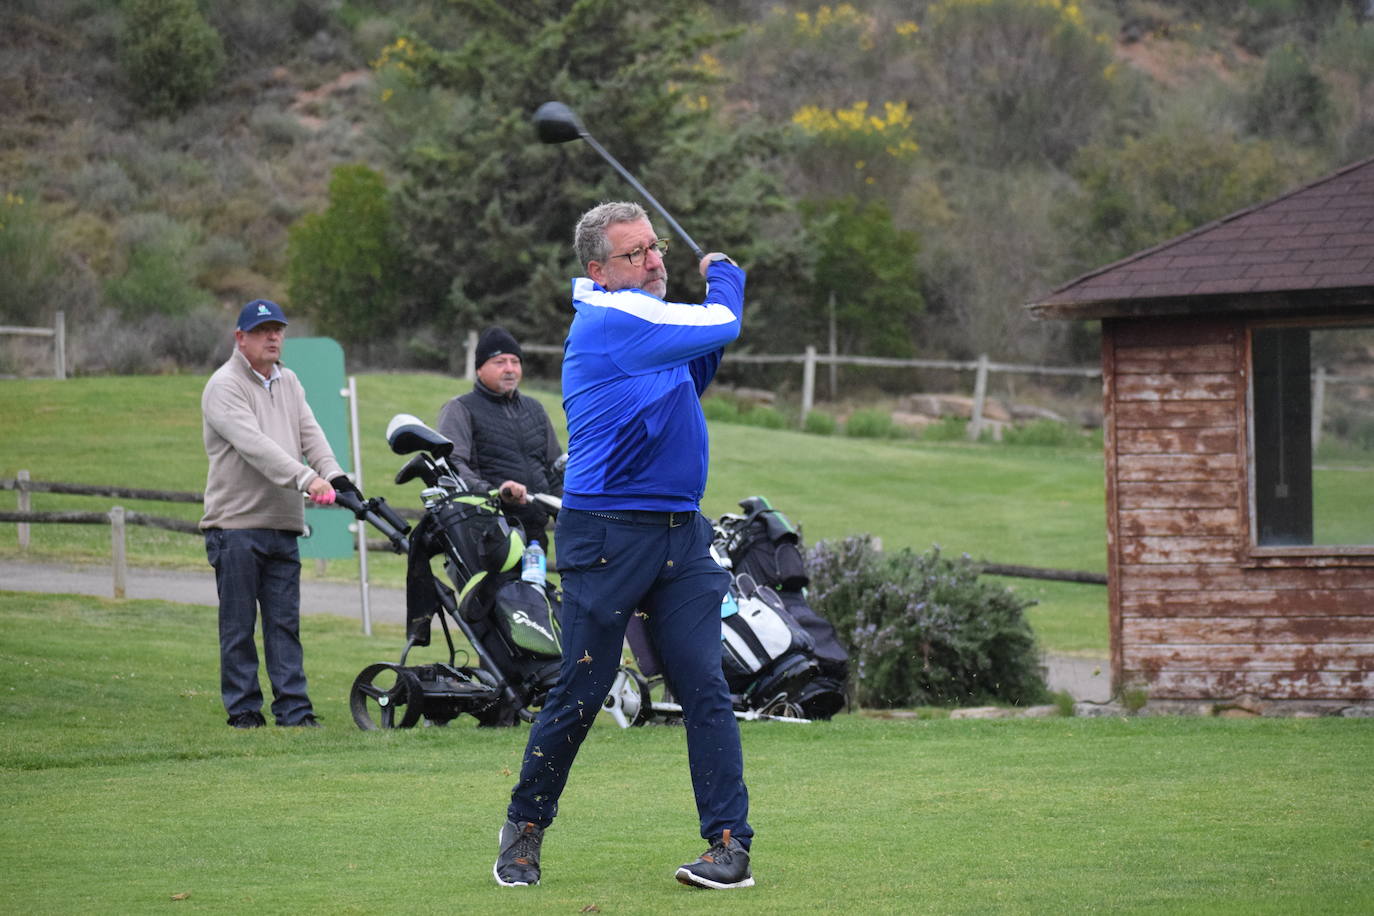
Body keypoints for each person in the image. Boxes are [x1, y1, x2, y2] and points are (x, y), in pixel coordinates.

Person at [494, 202, 753, 890]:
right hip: (605, 534)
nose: (655, 261)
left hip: (681, 534)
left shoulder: (648, 324)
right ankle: (524, 828)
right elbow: (723, 319)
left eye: (655, 247)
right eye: (635, 254)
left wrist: (704, 316)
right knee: (581, 691)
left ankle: (729, 846)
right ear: (599, 271)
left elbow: (695, 369)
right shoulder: (611, 319)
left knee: (704, 684)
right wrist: (725, 275)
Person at [199, 299, 352, 729]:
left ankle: (294, 711)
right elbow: (257, 449)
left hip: (283, 524)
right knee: (239, 627)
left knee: (285, 625)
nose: (273, 337)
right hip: (236, 526)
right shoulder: (224, 386)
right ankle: (244, 711)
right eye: (263, 330)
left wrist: (336, 476)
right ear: (240, 338)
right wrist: (309, 480)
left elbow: (311, 434)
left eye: (278, 330)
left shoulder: (290, 381)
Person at [436, 326, 564, 552]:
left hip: (534, 533)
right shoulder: (460, 409)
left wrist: (566, 511)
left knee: (537, 588)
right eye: (499, 362)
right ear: (479, 369)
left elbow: (554, 469)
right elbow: (452, 466)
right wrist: (497, 493)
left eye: (515, 362)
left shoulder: (535, 409)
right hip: (487, 533)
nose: (509, 369)